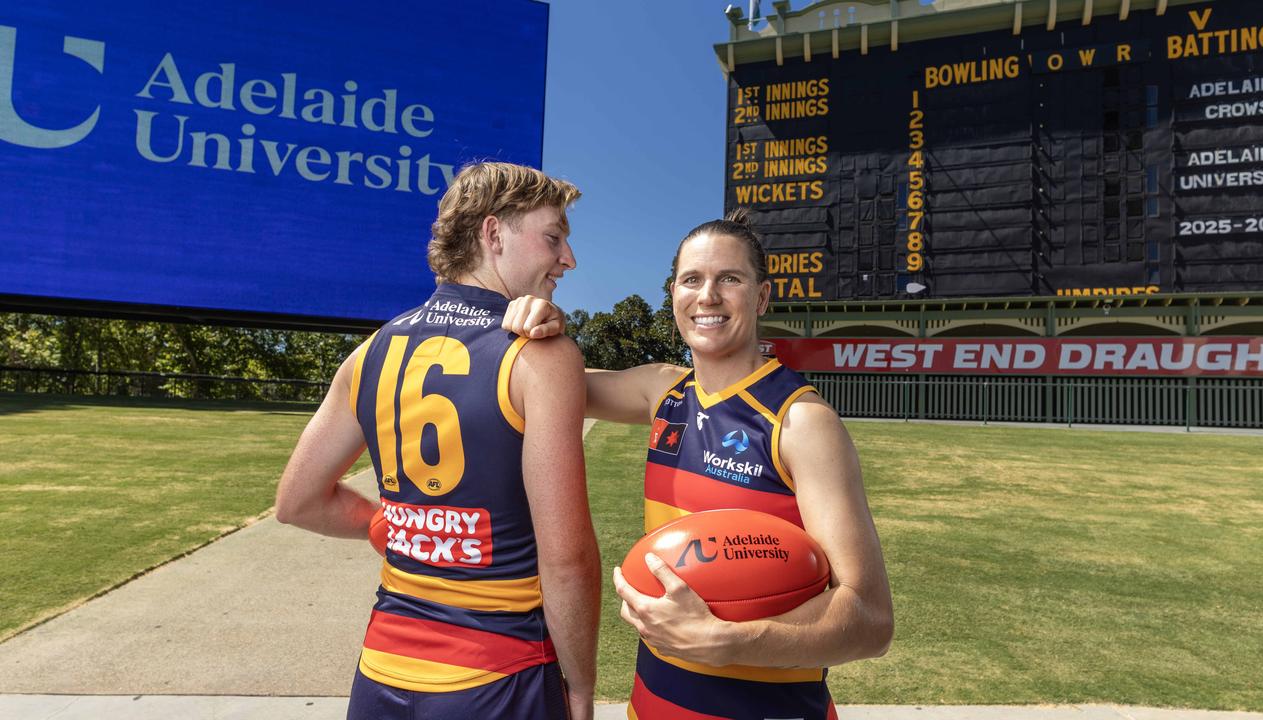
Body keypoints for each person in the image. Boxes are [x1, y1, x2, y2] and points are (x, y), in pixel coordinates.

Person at [506, 210, 893, 720]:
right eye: (692, 280)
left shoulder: (800, 422)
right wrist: (537, 321)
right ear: (674, 295)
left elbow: (870, 618)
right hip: (651, 707)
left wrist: (725, 640)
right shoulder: (662, 390)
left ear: (761, 296)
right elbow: (545, 379)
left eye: (729, 278)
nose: (707, 296)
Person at [276, 162, 600, 720]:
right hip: (500, 676)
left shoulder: (371, 351)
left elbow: (297, 502)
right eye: (554, 237)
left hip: (380, 672)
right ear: (493, 234)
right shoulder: (539, 357)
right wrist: (582, 686)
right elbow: (566, 560)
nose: (568, 259)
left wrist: (398, 526)